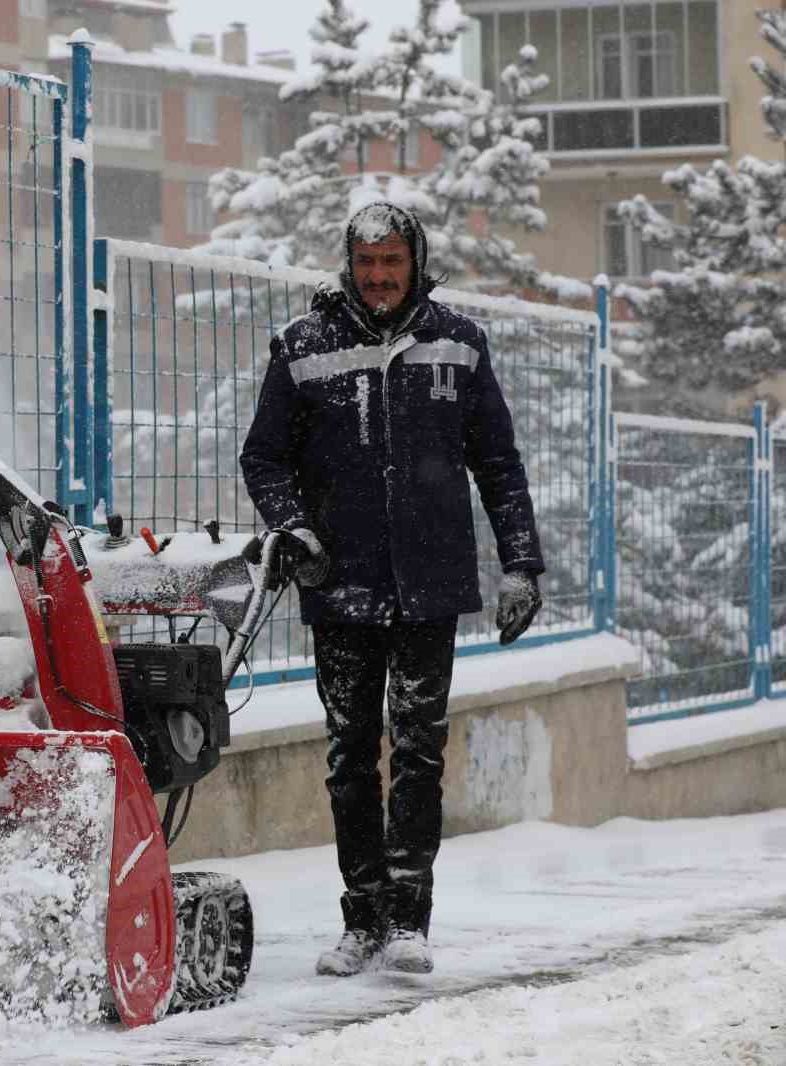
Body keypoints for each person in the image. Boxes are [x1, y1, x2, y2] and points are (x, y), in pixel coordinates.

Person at [240, 201, 545, 976]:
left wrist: (521, 565)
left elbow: (500, 465)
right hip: (339, 586)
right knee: (348, 754)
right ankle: (362, 919)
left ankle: (410, 921)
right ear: (350, 264)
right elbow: (264, 457)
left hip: (429, 586)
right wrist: (295, 528)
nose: (379, 278)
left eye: (392, 264)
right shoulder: (303, 347)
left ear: (415, 263)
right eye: (367, 264)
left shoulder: (459, 345)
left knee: (417, 751)